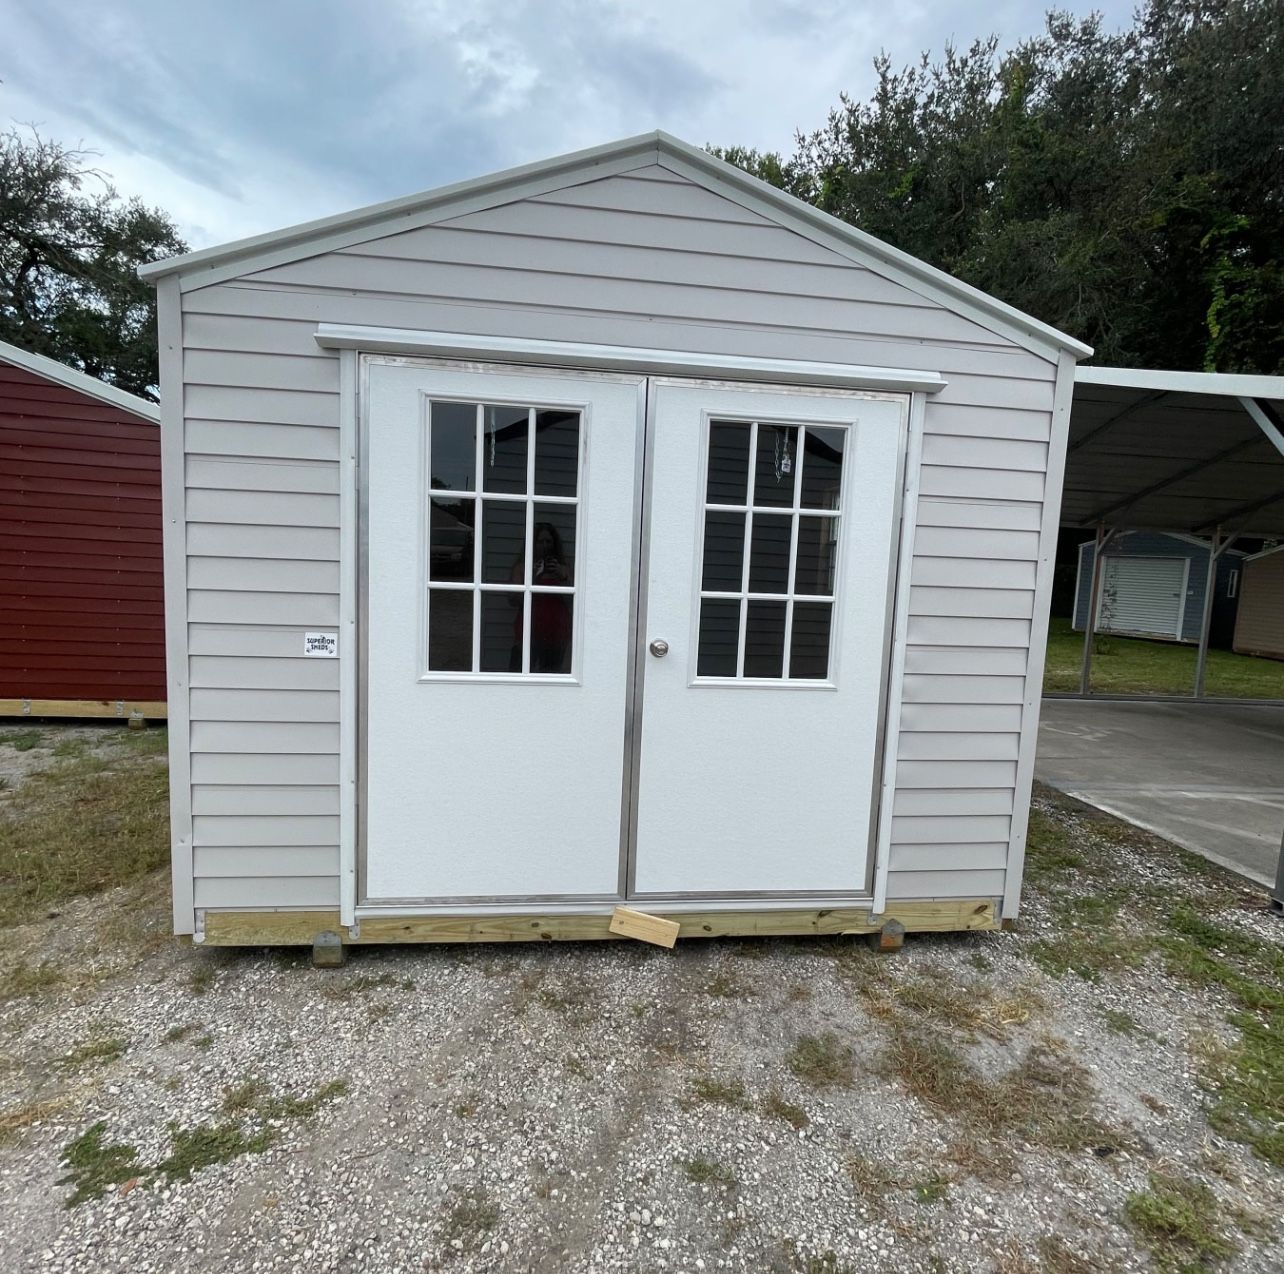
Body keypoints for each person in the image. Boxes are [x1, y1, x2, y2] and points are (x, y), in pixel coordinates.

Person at [509, 522, 572, 672]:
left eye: (549, 541)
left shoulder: (563, 568)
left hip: (556, 634)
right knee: (519, 675)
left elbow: (576, 601)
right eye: (540, 541)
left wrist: (562, 576)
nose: (545, 545)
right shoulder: (522, 568)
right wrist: (532, 578)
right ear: (533, 543)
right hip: (528, 633)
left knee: (551, 678)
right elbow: (512, 599)